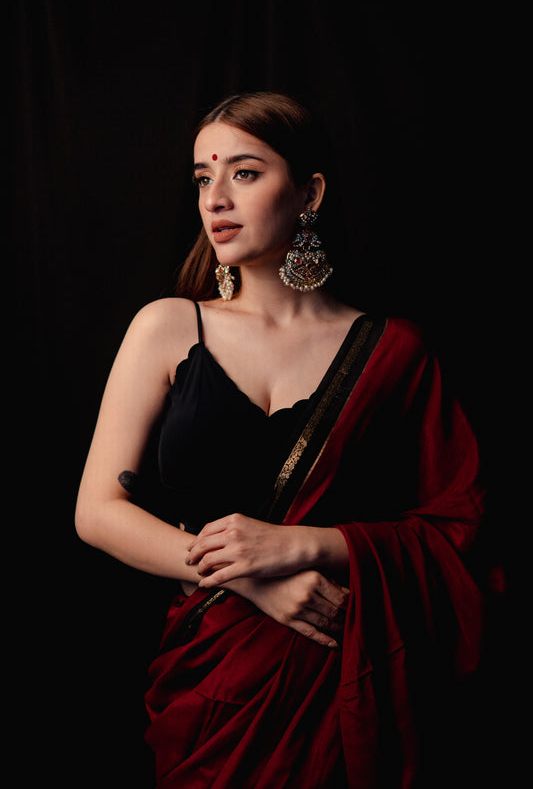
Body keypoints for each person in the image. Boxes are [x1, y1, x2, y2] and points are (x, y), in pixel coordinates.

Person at [75, 92, 486, 788]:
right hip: (211, 678)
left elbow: (459, 530)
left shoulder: (395, 351)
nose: (215, 199)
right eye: (203, 178)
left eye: (244, 172)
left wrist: (307, 546)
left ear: (308, 193)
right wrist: (250, 576)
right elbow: (97, 512)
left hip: (340, 670)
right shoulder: (168, 327)